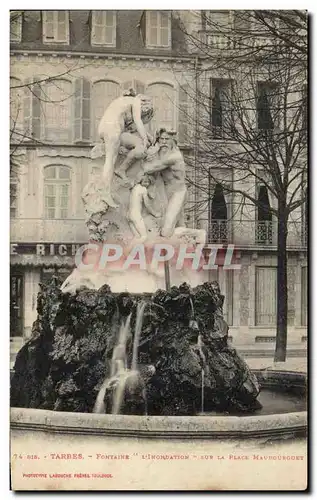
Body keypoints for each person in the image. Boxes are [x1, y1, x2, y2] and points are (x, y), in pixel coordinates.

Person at [96, 91, 154, 208]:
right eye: (144, 116)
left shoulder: (123, 101)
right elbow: (137, 122)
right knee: (110, 161)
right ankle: (105, 193)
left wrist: (146, 135)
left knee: (111, 160)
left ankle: (118, 174)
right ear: (145, 107)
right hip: (113, 127)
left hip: (104, 127)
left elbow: (132, 127)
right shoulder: (137, 101)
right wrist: (145, 139)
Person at [143, 128, 187, 237]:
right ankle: (186, 245)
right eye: (161, 139)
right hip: (166, 193)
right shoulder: (162, 153)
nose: (163, 142)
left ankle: (199, 233)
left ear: (173, 140)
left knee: (166, 231)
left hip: (178, 193)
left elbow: (149, 168)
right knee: (178, 224)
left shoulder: (174, 157)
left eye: (167, 139)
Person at [127, 174, 160, 242]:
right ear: (140, 181)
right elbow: (147, 204)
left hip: (129, 215)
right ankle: (127, 251)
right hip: (135, 215)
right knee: (144, 237)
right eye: (145, 182)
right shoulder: (143, 189)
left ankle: (130, 250)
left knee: (137, 237)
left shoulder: (135, 187)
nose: (147, 184)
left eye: (148, 182)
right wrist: (155, 214)